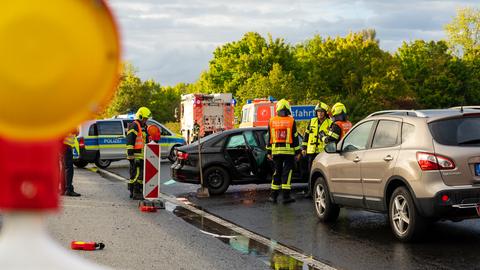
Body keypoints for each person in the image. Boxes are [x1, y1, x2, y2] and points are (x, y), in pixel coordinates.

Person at [266, 99, 301, 204]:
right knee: (287, 173)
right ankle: (286, 197)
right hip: (288, 152)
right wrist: (297, 152)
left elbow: (269, 137)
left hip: (276, 152)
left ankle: (273, 196)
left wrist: (268, 152)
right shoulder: (291, 121)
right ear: (287, 109)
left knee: (277, 173)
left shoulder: (271, 121)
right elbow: (295, 138)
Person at [302, 102, 332, 197]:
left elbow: (331, 138)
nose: (320, 113)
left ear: (325, 113)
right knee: (311, 172)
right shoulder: (312, 121)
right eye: (318, 111)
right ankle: (310, 192)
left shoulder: (330, 123)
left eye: (322, 111)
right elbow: (306, 136)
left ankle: (321, 192)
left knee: (322, 173)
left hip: (323, 152)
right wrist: (303, 148)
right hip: (311, 152)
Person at [126, 107, 152, 200]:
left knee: (137, 174)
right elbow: (130, 141)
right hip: (136, 155)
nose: (146, 120)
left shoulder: (143, 126)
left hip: (141, 155)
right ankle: (136, 192)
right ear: (140, 116)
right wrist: (131, 155)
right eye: (145, 118)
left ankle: (134, 191)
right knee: (137, 175)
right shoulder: (135, 125)